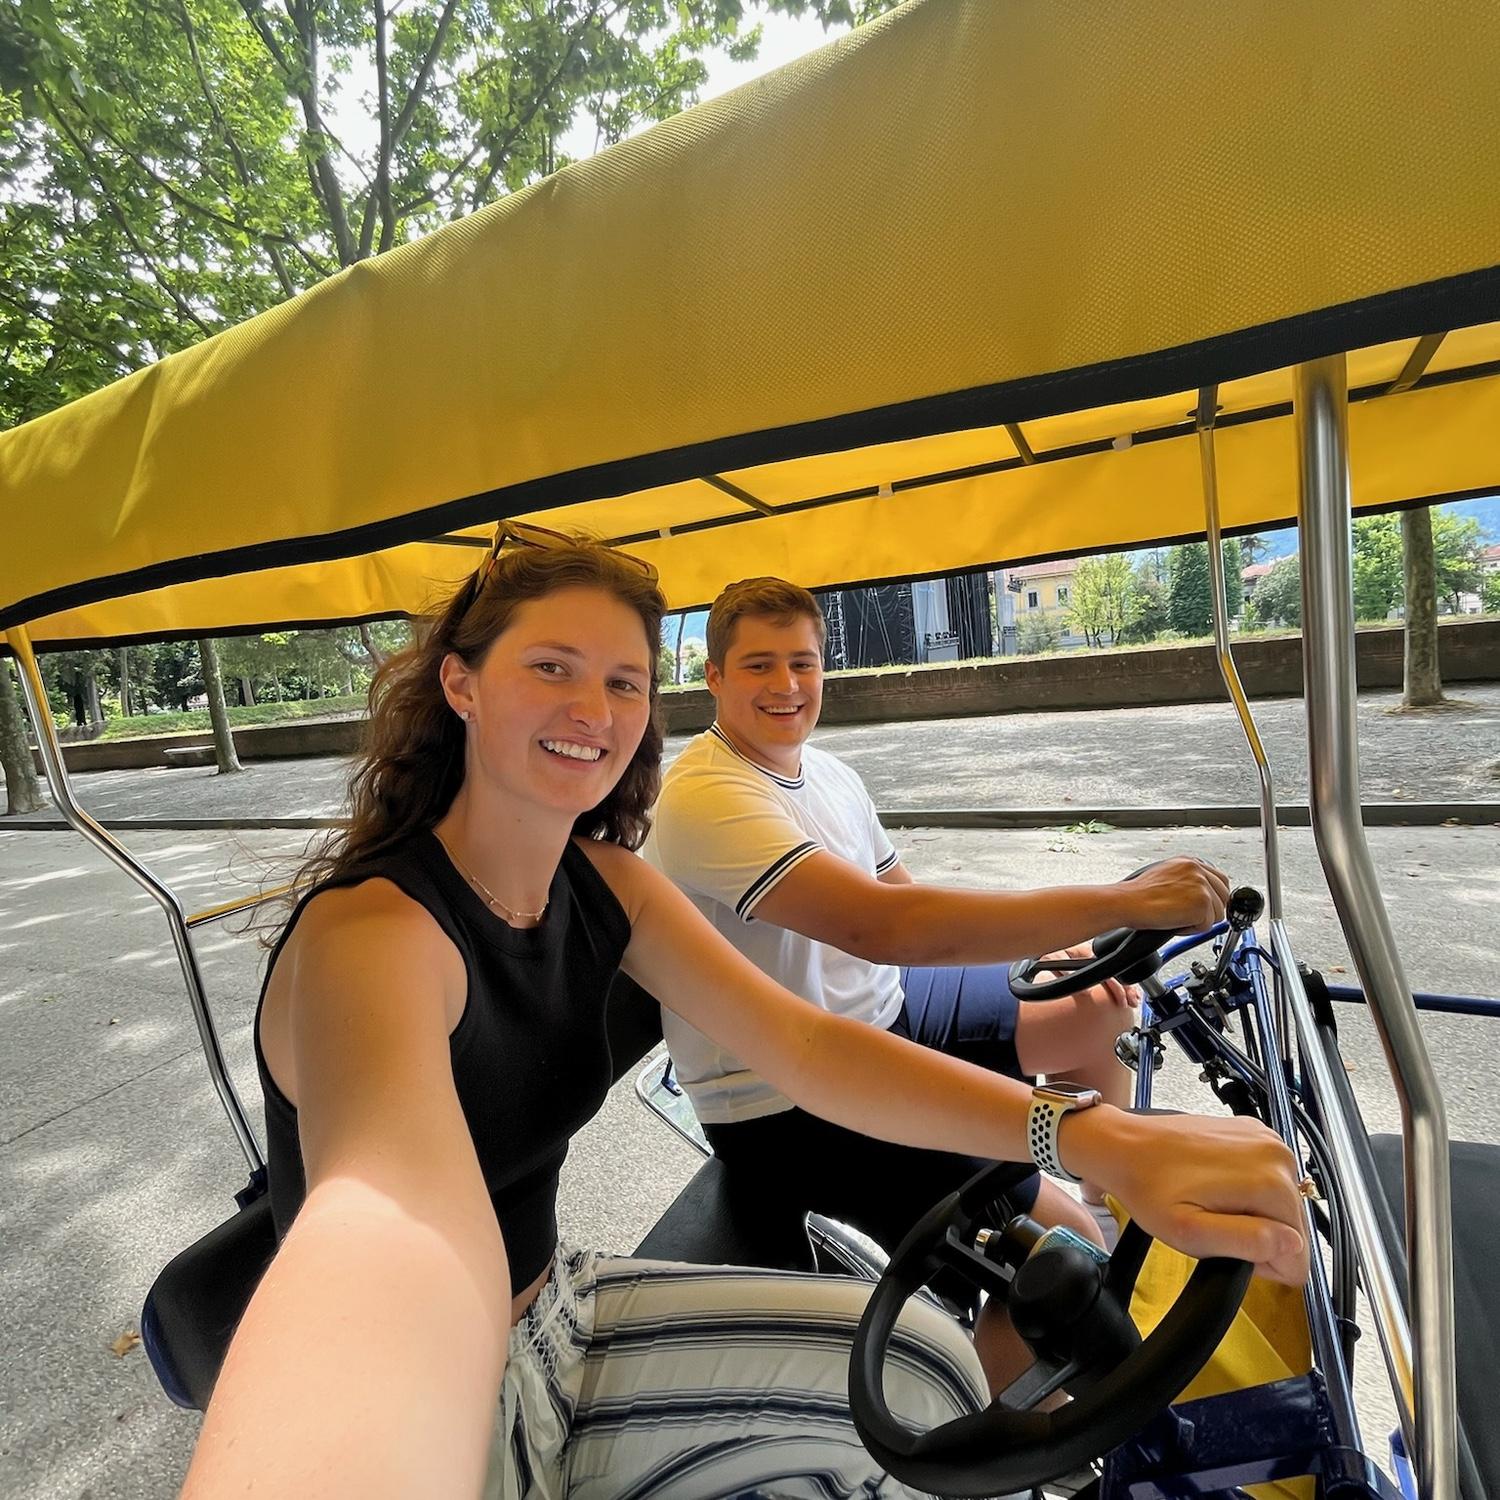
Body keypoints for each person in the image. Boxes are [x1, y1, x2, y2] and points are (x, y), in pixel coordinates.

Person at [182, 526, 1308, 1500]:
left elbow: (811, 1040)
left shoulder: (605, 883)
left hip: (559, 1308)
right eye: (553, 669)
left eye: (622, 683)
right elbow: (383, 1231)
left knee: (925, 1367)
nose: (594, 709)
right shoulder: (372, 939)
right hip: (429, 1381)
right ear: (463, 685)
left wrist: (1101, 1132)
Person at [643, 577, 1230, 1378]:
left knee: (1095, 1004)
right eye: (758, 666)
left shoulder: (828, 772)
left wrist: (1048, 953)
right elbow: (884, 928)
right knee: (1065, 1252)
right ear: (713, 678)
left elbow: (905, 900)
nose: (785, 686)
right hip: (785, 1094)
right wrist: (1121, 902)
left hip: (884, 1008)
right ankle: (1003, 1420)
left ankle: (1105, 1189)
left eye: (803, 663)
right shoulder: (705, 794)